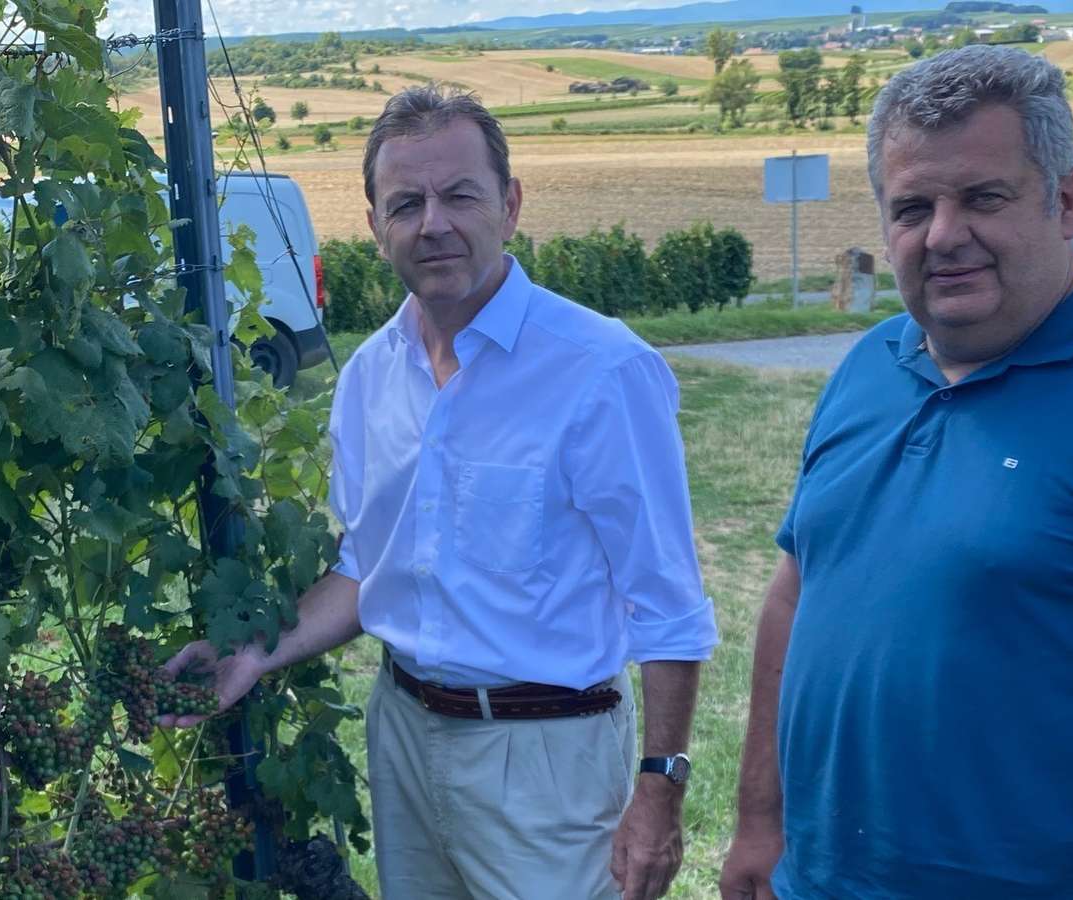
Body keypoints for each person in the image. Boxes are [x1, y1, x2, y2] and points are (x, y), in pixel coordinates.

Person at [162, 85, 718, 900]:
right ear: (375, 222)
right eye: (406, 202)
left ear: (511, 204)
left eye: (461, 195)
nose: (434, 223)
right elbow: (367, 569)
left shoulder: (602, 371)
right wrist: (254, 652)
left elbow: (667, 603)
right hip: (405, 738)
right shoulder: (368, 379)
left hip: (548, 761)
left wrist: (659, 790)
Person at [719, 45, 1073, 900]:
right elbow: (797, 594)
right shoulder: (871, 363)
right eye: (912, 207)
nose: (944, 235)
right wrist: (759, 823)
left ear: (1064, 201)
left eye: (982, 197)